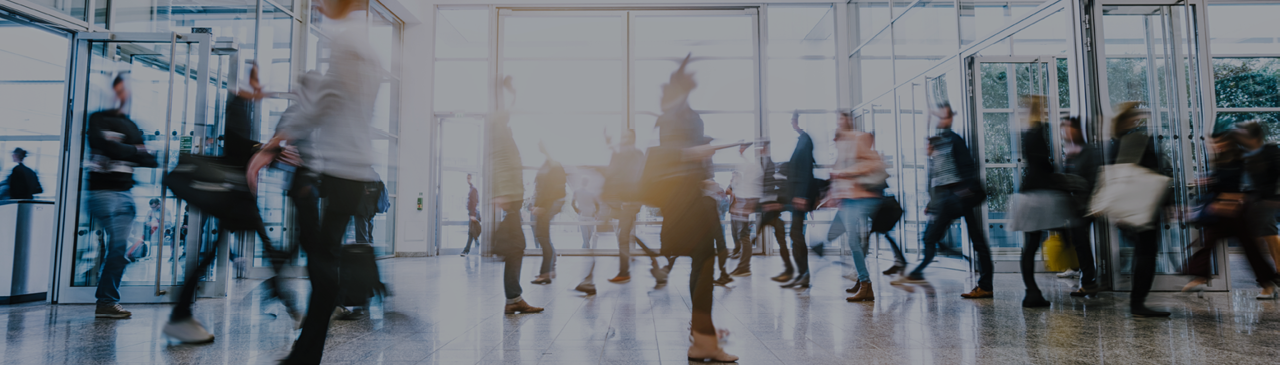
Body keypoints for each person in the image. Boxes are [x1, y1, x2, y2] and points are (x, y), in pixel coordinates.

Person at [246, 0, 385, 361]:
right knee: (322, 257)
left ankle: (306, 351)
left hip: (339, 167)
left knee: (321, 261)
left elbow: (326, 101)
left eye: (325, 1)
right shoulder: (368, 44)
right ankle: (305, 352)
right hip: (354, 167)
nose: (320, 6)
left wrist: (275, 143)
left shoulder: (346, 41)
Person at [652, 55, 736, 362]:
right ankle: (703, 338)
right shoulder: (676, 116)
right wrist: (695, 152)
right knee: (704, 262)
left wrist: (706, 180)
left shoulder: (683, 114)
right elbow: (670, 155)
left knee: (702, 262)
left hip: (689, 200)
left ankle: (702, 332)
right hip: (683, 204)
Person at [892, 103, 995, 301]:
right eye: (939, 117)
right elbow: (937, 175)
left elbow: (966, 166)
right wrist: (933, 202)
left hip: (958, 196)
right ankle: (980, 279)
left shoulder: (953, 140)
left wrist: (962, 192)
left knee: (945, 238)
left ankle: (917, 273)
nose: (940, 120)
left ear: (949, 118)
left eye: (943, 116)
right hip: (951, 197)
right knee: (942, 238)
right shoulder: (940, 141)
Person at [88, 75, 160, 319]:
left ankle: (106, 302)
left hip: (125, 194)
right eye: (118, 91)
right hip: (102, 194)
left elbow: (150, 159)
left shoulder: (129, 125)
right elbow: (108, 147)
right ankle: (106, 300)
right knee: (118, 246)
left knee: (121, 248)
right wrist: (134, 150)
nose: (122, 96)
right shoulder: (97, 119)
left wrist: (125, 148)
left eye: (125, 92)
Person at [1183, 127, 1277, 299]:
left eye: (1219, 142)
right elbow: (1221, 183)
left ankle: (1268, 284)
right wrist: (1209, 182)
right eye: (1213, 143)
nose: (1216, 146)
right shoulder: (1221, 160)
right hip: (1222, 213)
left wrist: (1226, 198)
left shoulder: (1242, 160)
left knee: (1250, 249)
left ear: (1229, 142)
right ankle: (1199, 278)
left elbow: (1246, 187)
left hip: (1236, 213)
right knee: (1208, 242)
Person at [1008, 96, 1072, 308]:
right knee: (1055, 236)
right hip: (1041, 194)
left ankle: (1031, 291)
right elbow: (1043, 163)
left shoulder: (1027, 132)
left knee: (1031, 245)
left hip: (1030, 194)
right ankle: (1033, 291)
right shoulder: (1038, 131)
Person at [1106, 102, 1169, 318]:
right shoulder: (1137, 138)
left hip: (1131, 206)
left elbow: (1115, 177)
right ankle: (1137, 303)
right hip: (1144, 205)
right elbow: (1154, 172)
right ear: (1130, 119)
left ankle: (1137, 302)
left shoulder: (1115, 142)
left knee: (1142, 253)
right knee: (1146, 253)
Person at [488, 76, 543, 315]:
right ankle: (513, 299)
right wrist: (506, 91)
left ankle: (513, 298)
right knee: (516, 246)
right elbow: (497, 162)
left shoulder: (502, 132)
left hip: (511, 197)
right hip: (508, 196)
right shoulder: (498, 130)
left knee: (516, 247)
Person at [829, 112, 885, 302]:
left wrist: (845, 173)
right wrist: (833, 195)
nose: (839, 123)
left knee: (854, 241)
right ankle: (861, 279)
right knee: (851, 240)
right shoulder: (842, 144)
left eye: (841, 120)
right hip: (848, 199)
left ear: (849, 121)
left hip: (860, 198)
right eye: (837, 120)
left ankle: (865, 284)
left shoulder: (858, 138)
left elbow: (874, 162)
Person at [600, 130, 664, 284]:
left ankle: (624, 272)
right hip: (619, 202)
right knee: (625, 234)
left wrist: (631, 200)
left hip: (628, 202)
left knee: (622, 236)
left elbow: (635, 178)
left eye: (627, 137)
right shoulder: (623, 154)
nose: (624, 139)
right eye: (622, 136)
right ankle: (651, 257)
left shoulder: (635, 155)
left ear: (633, 140)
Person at [1230, 121, 1280, 299]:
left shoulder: (1270, 151)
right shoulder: (1242, 154)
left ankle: (1269, 281)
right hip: (1252, 200)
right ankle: (1270, 279)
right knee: (1265, 234)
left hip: (1268, 200)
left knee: (1256, 237)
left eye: (1243, 134)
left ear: (1255, 137)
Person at [1061, 117, 1102, 296]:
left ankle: (1088, 281)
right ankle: (1086, 279)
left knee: (1081, 242)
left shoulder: (1089, 151)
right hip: (1075, 206)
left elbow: (1092, 179)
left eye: (1069, 128)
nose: (1066, 132)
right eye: (1064, 129)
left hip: (1086, 206)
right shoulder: (1071, 152)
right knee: (1079, 242)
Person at [781, 111, 816, 289]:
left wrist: (802, 195)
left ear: (798, 121)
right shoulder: (801, 141)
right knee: (795, 236)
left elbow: (806, 169)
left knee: (796, 235)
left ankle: (804, 274)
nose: (792, 124)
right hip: (796, 196)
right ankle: (802, 273)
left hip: (800, 197)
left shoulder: (805, 140)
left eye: (793, 121)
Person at [530, 141, 566, 285]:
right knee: (543, 237)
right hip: (545, 205)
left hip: (548, 205)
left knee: (542, 237)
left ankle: (546, 273)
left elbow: (551, 190)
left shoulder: (554, 165)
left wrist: (543, 207)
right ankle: (549, 269)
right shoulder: (548, 165)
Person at [728, 142, 762, 277]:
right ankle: (743, 266)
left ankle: (745, 267)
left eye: (742, 148)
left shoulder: (752, 167)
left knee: (744, 235)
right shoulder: (747, 165)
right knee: (742, 235)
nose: (740, 150)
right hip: (742, 205)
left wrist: (747, 205)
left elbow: (753, 188)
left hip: (744, 205)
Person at [462, 173, 480, 256]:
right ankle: (475, 241)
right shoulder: (470, 189)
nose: (468, 180)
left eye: (469, 178)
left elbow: (475, 201)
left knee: (471, 232)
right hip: (471, 213)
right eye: (467, 178)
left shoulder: (473, 189)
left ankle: (466, 250)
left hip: (473, 214)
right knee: (471, 232)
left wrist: (473, 214)